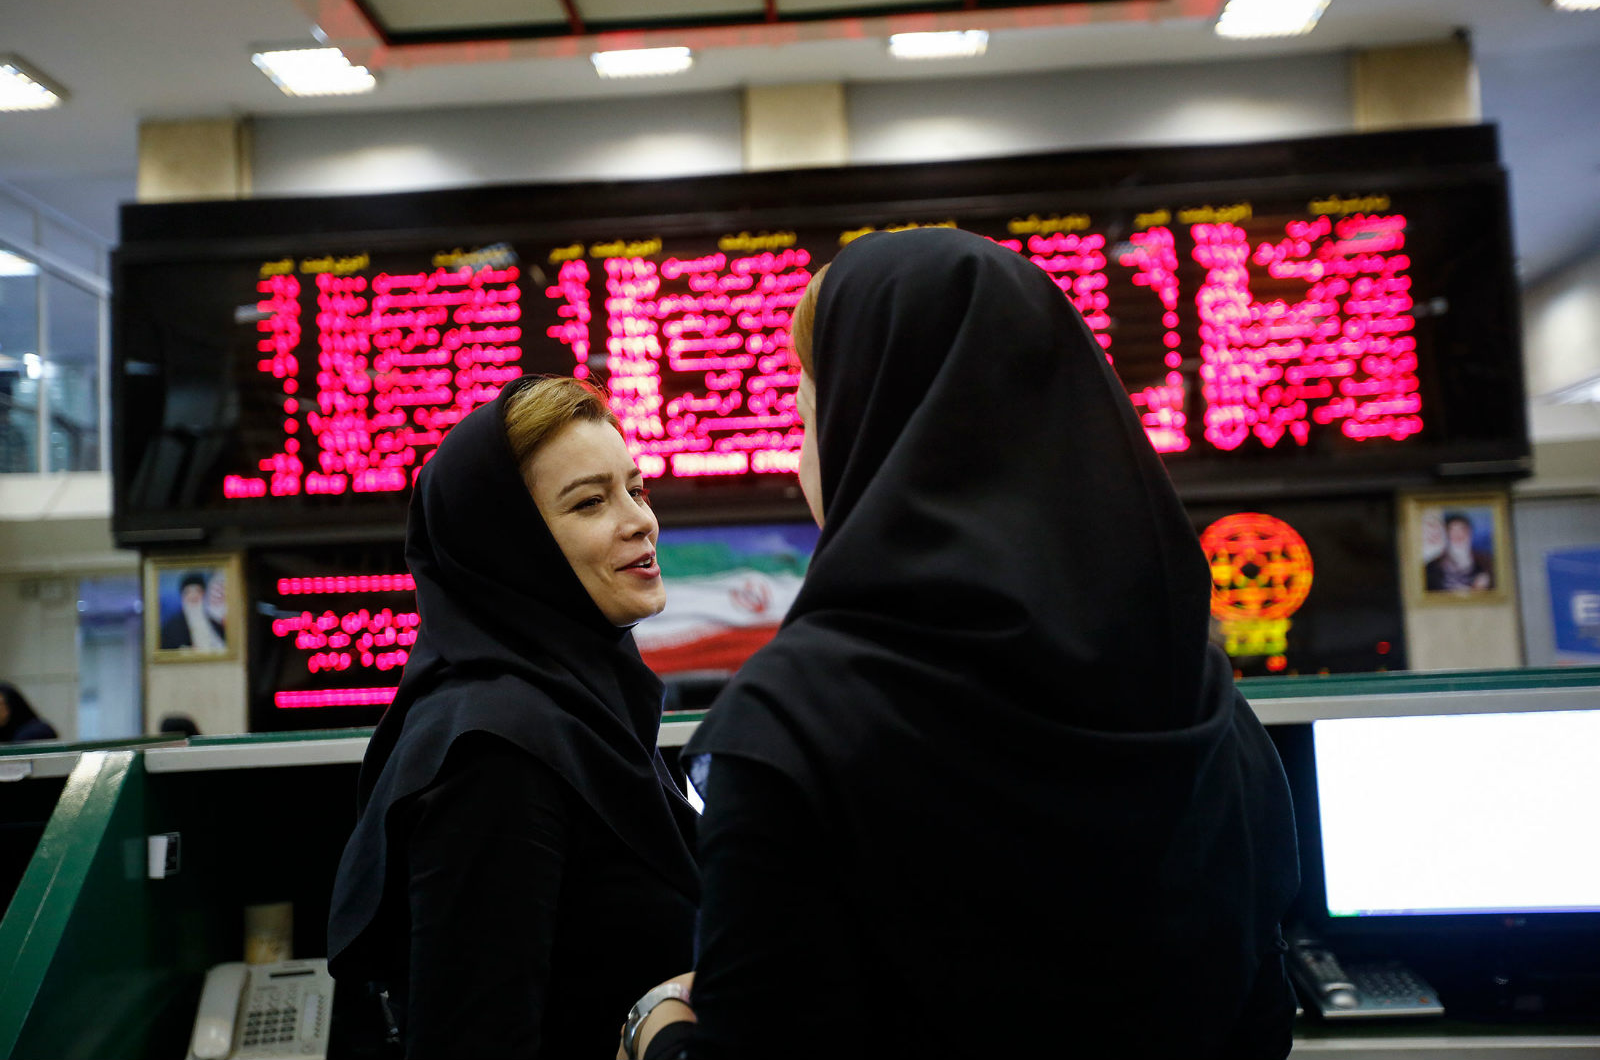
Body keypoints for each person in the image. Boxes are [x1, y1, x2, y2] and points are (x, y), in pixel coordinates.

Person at [626, 229, 1301, 1060]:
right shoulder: (1204, 703)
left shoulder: (797, 725)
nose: (800, 463)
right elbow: (1262, 1023)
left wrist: (659, 1023)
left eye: (807, 422)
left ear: (873, 436)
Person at [327, 376, 700, 1059]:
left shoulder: (582, 711)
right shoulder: (494, 755)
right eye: (589, 502)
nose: (639, 520)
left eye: (636, 489)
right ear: (508, 544)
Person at [1424, 513, 1493, 592]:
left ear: (1470, 532)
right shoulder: (1431, 567)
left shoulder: (1487, 562)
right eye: (1453, 530)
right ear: (1446, 534)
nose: (1459, 535)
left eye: (1463, 530)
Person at [158, 571, 226, 651]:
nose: (193, 596)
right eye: (188, 592)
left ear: (203, 594)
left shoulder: (214, 622)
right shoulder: (171, 627)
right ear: (182, 596)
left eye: (197, 591)